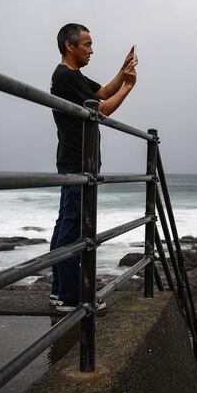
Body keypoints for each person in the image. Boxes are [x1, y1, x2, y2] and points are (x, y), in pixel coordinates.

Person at [49, 23, 138, 312]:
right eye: (86, 44)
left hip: (73, 159)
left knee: (66, 223)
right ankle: (70, 297)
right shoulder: (64, 76)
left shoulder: (73, 76)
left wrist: (121, 74)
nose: (91, 49)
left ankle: (59, 290)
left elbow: (100, 92)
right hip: (77, 160)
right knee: (73, 228)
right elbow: (102, 109)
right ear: (69, 46)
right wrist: (128, 87)